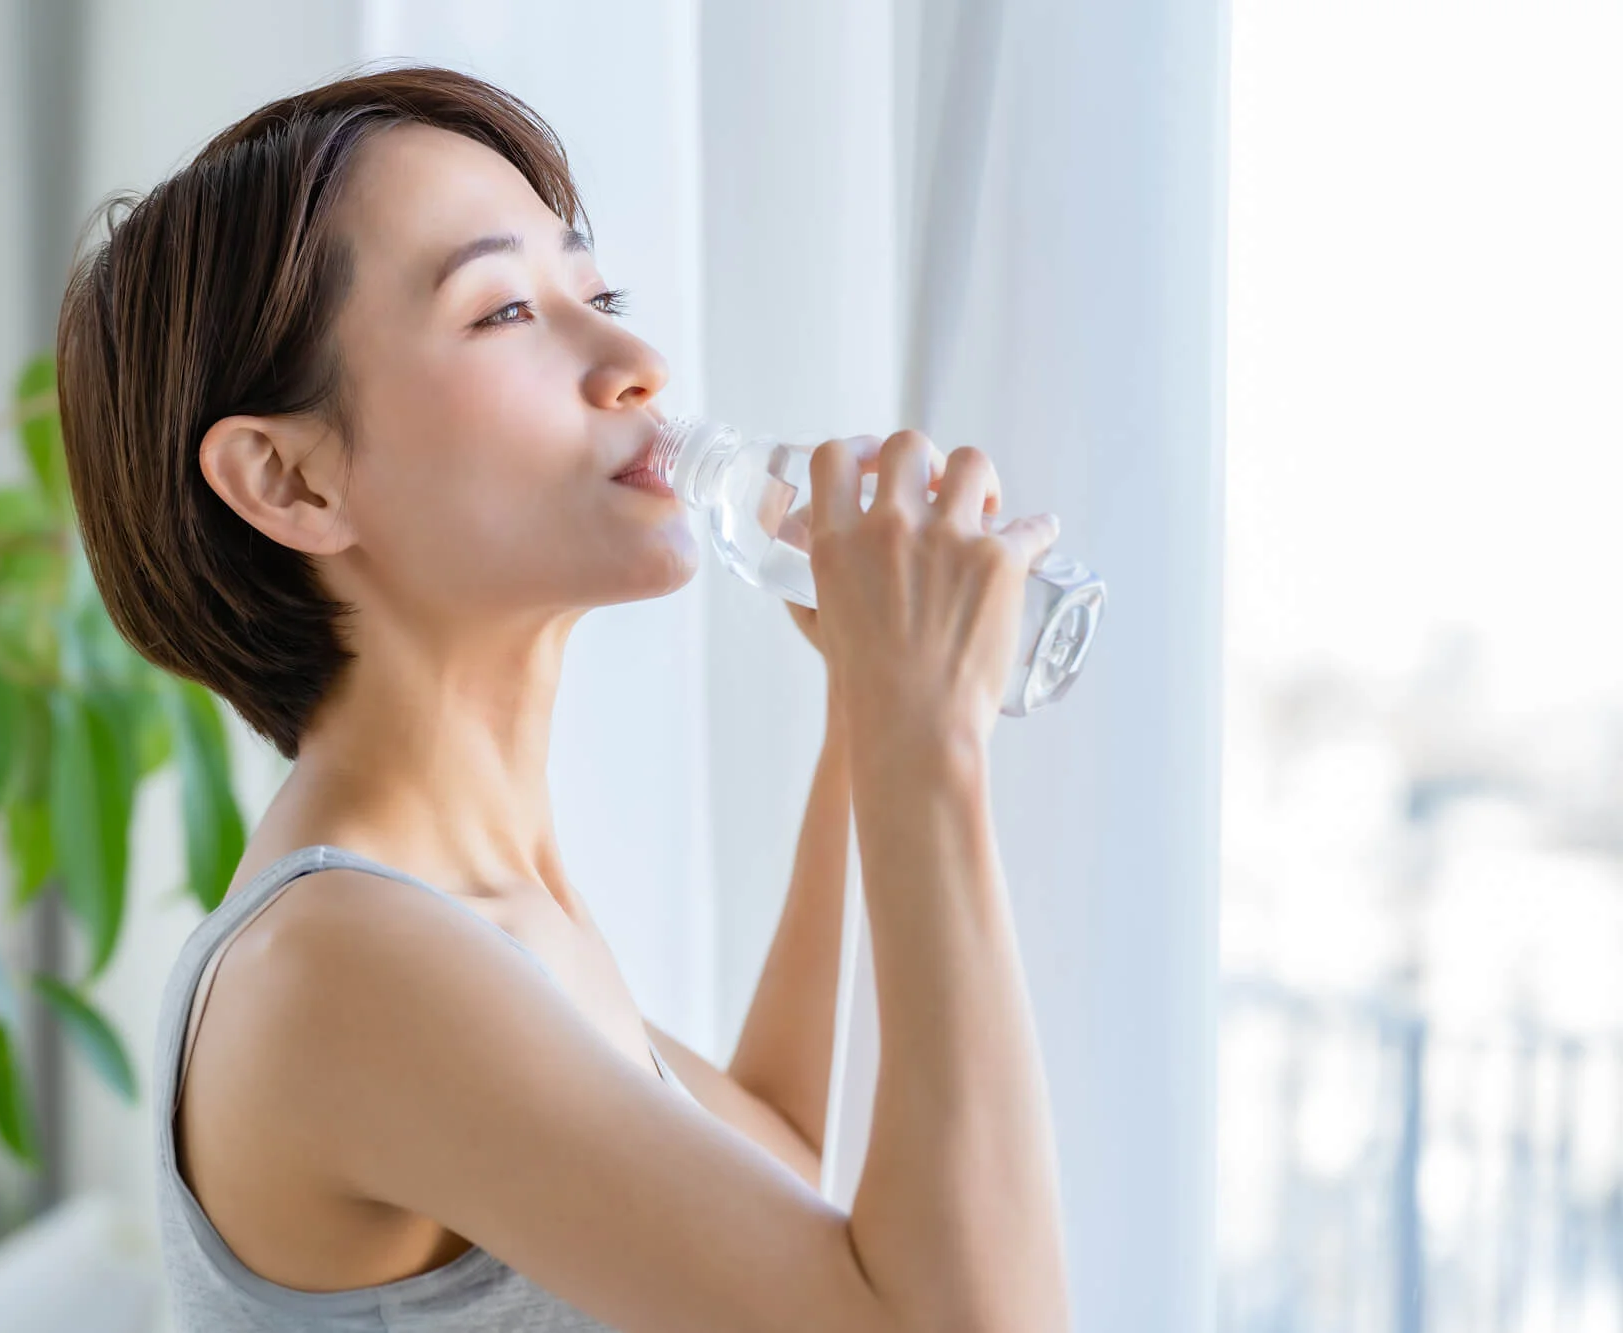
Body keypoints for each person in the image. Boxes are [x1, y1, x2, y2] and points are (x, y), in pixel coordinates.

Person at [55, 61, 1072, 1333]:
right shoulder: (337, 967)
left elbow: (771, 1157)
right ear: (290, 481)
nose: (637, 362)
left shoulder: (486, 922)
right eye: (501, 312)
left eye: (595, 293)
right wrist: (929, 746)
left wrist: (867, 712)